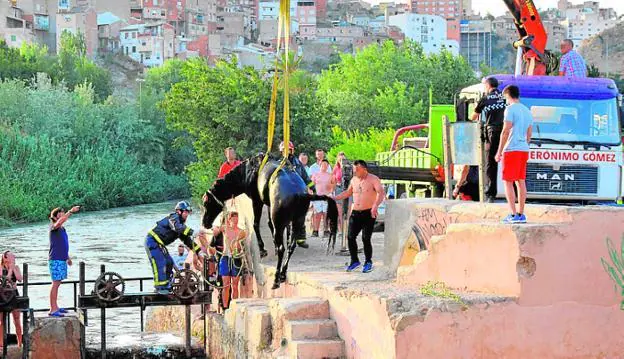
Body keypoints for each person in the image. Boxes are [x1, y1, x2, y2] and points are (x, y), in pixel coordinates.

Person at [334, 160, 385, 273]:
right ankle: (354, 261)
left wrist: (375, 206)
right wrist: (335, 198)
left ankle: (368, 262)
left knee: (366, 238)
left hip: (369, 212)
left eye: (357, 170)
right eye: (354, 170)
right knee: (350, 237)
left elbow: (381, 193)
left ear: (364, 169)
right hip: (356, 212)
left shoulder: (373, 179)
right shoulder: (353, 180)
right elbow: (348, 193)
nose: (355, 171)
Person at [145, 201, 203, 294]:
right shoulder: (173, 218)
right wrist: (193, 232)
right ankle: (160, 288)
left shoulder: (181, 225)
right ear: (179, 211)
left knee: (169, 262)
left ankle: (167, 285)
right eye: (186, 212)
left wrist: (199, 251)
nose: (187, 214)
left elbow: (187, 241)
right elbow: (178, 228)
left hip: (159, 244)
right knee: (160, 263)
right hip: (152, 242)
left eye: (188, 212)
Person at [495, 85, 533, 224]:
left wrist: (499, 151)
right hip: (523, 148)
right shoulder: (527, 110)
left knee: (508, 182)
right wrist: (525, 144)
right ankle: (521, 213)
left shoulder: (510, 109)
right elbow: (529, 133)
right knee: (520, 180)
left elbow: (505, 131)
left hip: (511, 148)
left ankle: (512, 214)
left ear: (508, 95)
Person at [472, 76, 506, 202]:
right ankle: (513, 193)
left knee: (491, 163)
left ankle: (491, 194)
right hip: (507, 132)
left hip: (492, 133)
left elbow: (474, 116)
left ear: (488, 86)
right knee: (508, 162)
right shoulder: (504, 97)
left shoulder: (485, 99)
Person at [48, 205, 80, 317]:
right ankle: (53, 309)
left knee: (59, 283)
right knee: (55, 284)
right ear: (56, 216)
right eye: (60, 213)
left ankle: (56, 306)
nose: (63, 214)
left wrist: (67, 257)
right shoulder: (54, 227)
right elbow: (59, 222)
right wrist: (70, 211)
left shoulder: (62, 229)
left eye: (63, 212)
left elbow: (62, 244)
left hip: (61, 258)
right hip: (55, 259)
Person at [281, 141, 314, 248]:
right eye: (285, 150)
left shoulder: (297, 163)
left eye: (289, 150)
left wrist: (312, 187)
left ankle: (300, 239)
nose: (287, 152)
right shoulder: (278, 163)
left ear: (292, 150)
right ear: (281, 151)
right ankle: (283, 240)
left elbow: (305, 176)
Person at [212, 211, 247, 310]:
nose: (235, 219)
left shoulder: (241, 231)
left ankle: (234, 308)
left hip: (236, 258)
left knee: (235, 284)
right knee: (226, 284)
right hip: (225, 257)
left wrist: (236, 244)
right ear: (229, 219)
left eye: (237, 217)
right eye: (233, 217)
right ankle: (226, 307)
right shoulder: (225, 229)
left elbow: (243, 237)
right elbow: (216, 229)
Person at [0, 251, 23, 347]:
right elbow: (5, 280)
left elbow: (20, 278)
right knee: (1, 321)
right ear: (5, 258)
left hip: (14, 294)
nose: (14, 257)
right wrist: (9, 270)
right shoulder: (1, 268)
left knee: (17, 319)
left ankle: (20, 343)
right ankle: (1, 344)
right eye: (11, 256)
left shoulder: (16, 267)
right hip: (2, 295)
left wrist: (13, 268)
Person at [311, 159, 336, 238]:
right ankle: (315, 231)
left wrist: (331, 192)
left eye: (326, 165)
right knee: (317, 214)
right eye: (322, 165)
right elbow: (311, 185)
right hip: (318, 196)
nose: (324, 166)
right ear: (320, 165)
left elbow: (333, 185)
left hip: (327, 197)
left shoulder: (330, 175)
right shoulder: (315, 175)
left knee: (326, 214)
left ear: (328, 166)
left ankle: (326, 230)